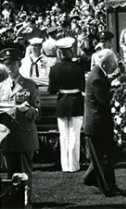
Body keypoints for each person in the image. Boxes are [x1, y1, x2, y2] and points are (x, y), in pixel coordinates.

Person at [0, 48, 41, 208]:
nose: (10, 67)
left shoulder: (29, 85)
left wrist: (27, 109)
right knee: (10, 173)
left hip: (24, 135)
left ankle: (26, 201)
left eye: (13, 63)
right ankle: (11, 201)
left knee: (24, 173)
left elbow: (37, 114)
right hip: (6, 136)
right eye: (7, 63)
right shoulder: (1, 87)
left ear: (19, 64)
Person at [83, 48, 126, 197]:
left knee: (103, 156)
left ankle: (91, 178)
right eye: (112, 63)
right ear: (103, 63)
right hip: (97, 124)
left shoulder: (99, 73)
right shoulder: (96, 78)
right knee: (104, 157)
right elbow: (106, 102)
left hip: (99, 123)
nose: (114, 66)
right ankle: (108, 188)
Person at [48, 37, 85, 173]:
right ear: (70, 51)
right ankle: (74, 165)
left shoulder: (54, 69)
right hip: (76, 101)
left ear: (59, 52)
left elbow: (52, 90)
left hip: (62, 102)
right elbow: (83, 87)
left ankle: (65, 166)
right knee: (75, 135)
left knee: (63, 136)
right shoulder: (78, 68)